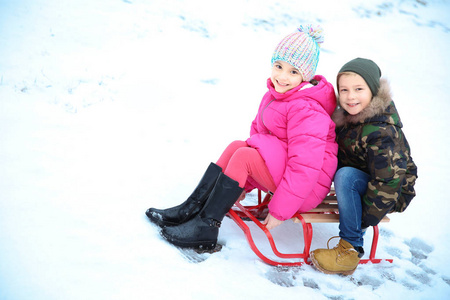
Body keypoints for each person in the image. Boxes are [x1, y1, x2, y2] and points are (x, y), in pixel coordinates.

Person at [146, 25, 338, 251]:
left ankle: (206, 226)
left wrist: (280, 210)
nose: (282, 76)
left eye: (293, 72)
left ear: (304, 76)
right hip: (288, 172)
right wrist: (241, 180)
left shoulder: (307, 110)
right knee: (237, 147)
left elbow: (305, 166)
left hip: (305, 189)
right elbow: (260, 137)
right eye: (279, 66)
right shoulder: (276, 96)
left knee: (244, 157)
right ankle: (192, 208)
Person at [310, 58, 418, 275]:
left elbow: (388, 181)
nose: (350, 96)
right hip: (370, 181)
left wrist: (362, 219)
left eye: (359, 89)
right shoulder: (350, 118)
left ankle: (350, 248)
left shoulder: (381, 131)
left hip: (389, 192)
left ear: (374, 91)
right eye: (344, 90)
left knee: (346, 176)